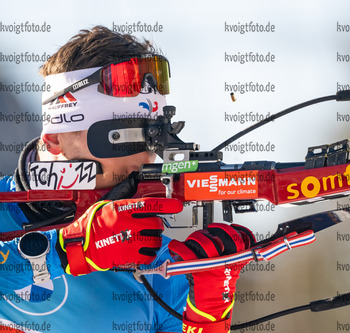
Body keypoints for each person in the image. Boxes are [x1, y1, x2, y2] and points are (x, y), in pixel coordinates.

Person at [0, 26, 291, 333]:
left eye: (154, 138)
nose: (146, 158)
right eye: (122, 137)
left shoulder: (154, 260)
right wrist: (66, 250)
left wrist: (208, 314)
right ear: (56, 138)